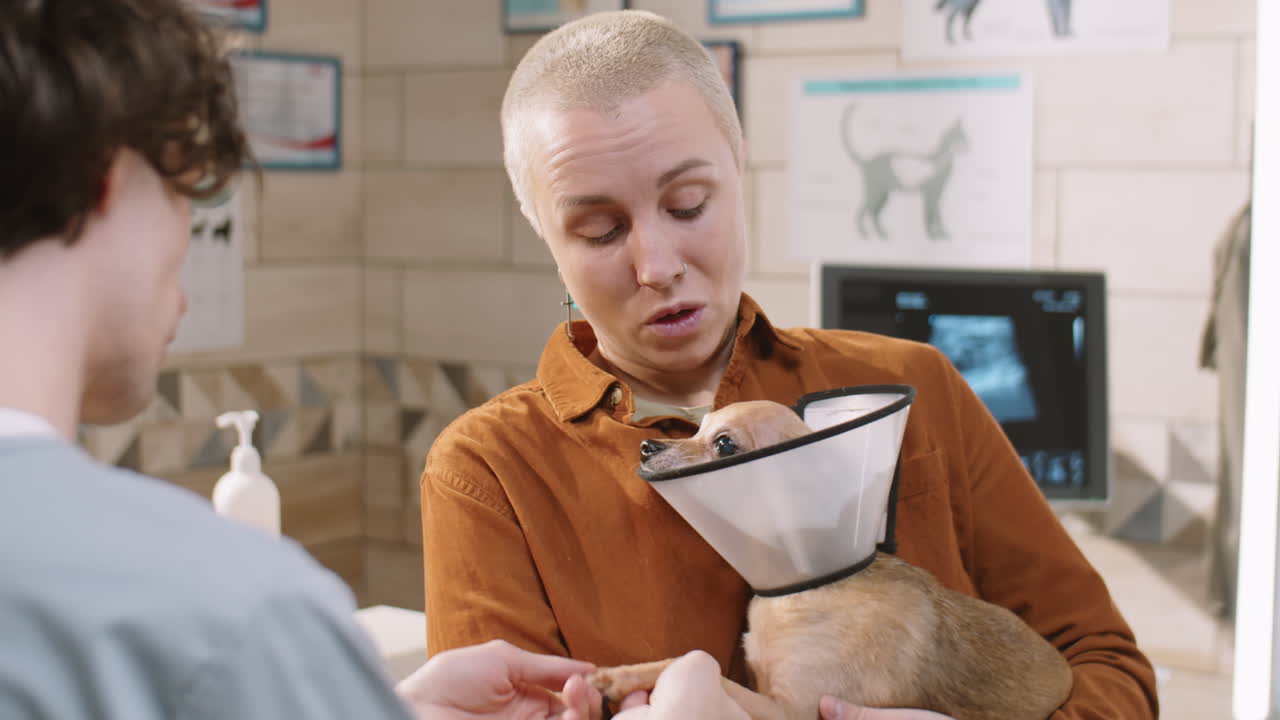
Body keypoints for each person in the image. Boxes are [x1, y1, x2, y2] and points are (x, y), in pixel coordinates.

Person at [420, 9, 1158, 719]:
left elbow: (1108, 670)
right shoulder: (490, 473)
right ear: (544, 232)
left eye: (688, 205)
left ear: (740, 167)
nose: (658, 265)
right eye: (600, 230)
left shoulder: (914, 386)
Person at [0, 2, 727, 719]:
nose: (657, 265)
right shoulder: (229, 621)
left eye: (689, 203)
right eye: (188, 192)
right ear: (112, 178)